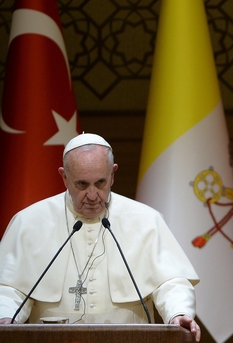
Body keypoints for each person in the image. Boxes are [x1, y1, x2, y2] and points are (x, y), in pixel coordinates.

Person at [0, 133, 201, 342]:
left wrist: (178, 313)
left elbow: (170, 282)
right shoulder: (29, 222)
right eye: (82, 184)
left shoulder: (147, 220)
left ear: (113, 175)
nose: (93, 195)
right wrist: (4, 315)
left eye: (100, 182)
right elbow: (9, 287)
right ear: (64, 177)